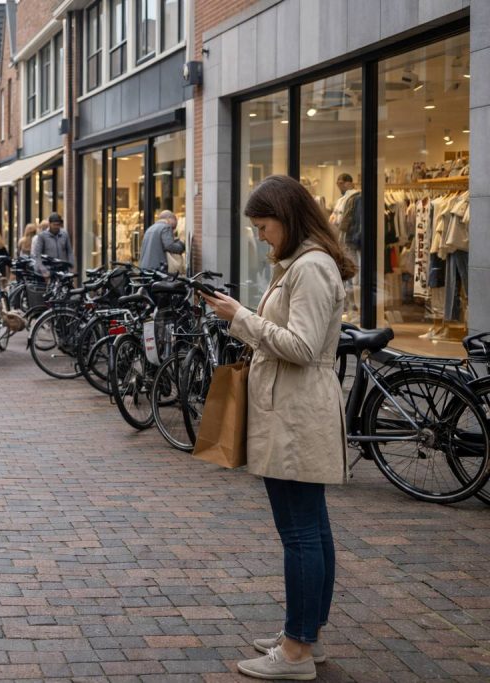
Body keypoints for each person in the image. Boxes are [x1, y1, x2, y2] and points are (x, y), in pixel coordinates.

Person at [201, 175, 356, 681]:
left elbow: (302, 346)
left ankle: (295, 652)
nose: (261, 236)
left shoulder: (310, 268)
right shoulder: (304, 263)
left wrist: (240, 317)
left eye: (264, 226)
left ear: (286, 218)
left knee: (300, 532)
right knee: (311, 526)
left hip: (295, 410)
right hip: (292, 407)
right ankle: (305, 633)